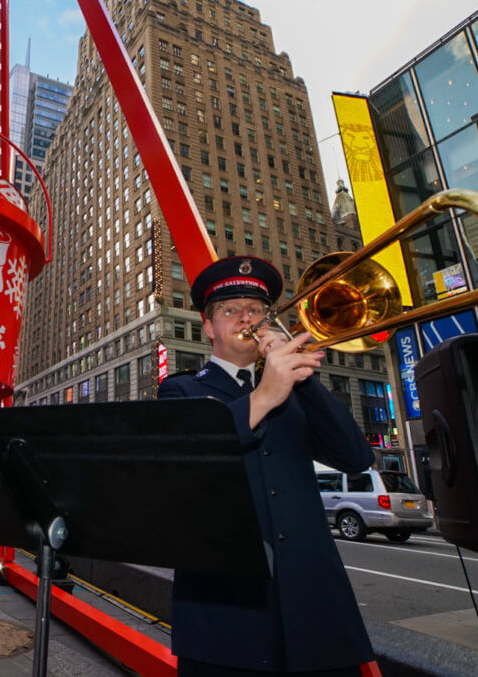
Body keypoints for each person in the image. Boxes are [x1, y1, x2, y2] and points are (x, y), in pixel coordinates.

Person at [157, 256, 375, 675]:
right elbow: (183, 464)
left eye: (256, 310)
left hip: (315, 606)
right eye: (230, 310)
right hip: (225, 607)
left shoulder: (295, 392)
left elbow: (356, 457)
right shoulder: (181, 389)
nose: (246, 317)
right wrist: (264, 395)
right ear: (209, 328)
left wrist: (304, 379)